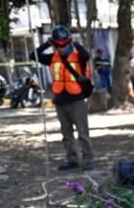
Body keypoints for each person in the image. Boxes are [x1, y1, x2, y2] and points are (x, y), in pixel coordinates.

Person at [35, 25, 95, 171]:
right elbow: (34, 55)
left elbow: (86, 55)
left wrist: (75, 43)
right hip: (60, 100)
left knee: (82, 133)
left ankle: (88, 160)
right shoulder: (52, 58)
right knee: (66, 133)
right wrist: (47, 44)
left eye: (64, 43)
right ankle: (71, 159)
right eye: (58, 44)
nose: (62, 47)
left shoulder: (78, 57)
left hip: (77, 100)